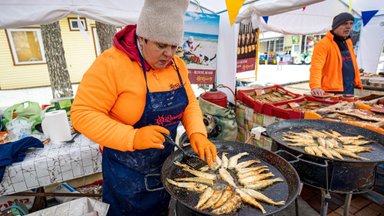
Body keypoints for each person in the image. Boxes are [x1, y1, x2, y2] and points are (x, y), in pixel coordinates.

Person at [70, 0, 217, 215]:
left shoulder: (177, 66)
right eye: (161, 45)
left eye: (174, 46)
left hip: (165, 165)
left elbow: (189, 103)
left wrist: (197, 133)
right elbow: (82, 114)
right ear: (142, 37)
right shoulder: (111, 64)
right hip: (125, 174)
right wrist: (133, 137)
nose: (168, 54)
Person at [309, 12, 362, 97]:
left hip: (349, 87)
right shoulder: (323, 44)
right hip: (331, 90)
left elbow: (353, 63)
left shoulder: (348, 42)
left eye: (351, 23)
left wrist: (357, 81)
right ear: (336, 25)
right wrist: (315, 86)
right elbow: (316, 67)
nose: (348, 27)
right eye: (345, 23)